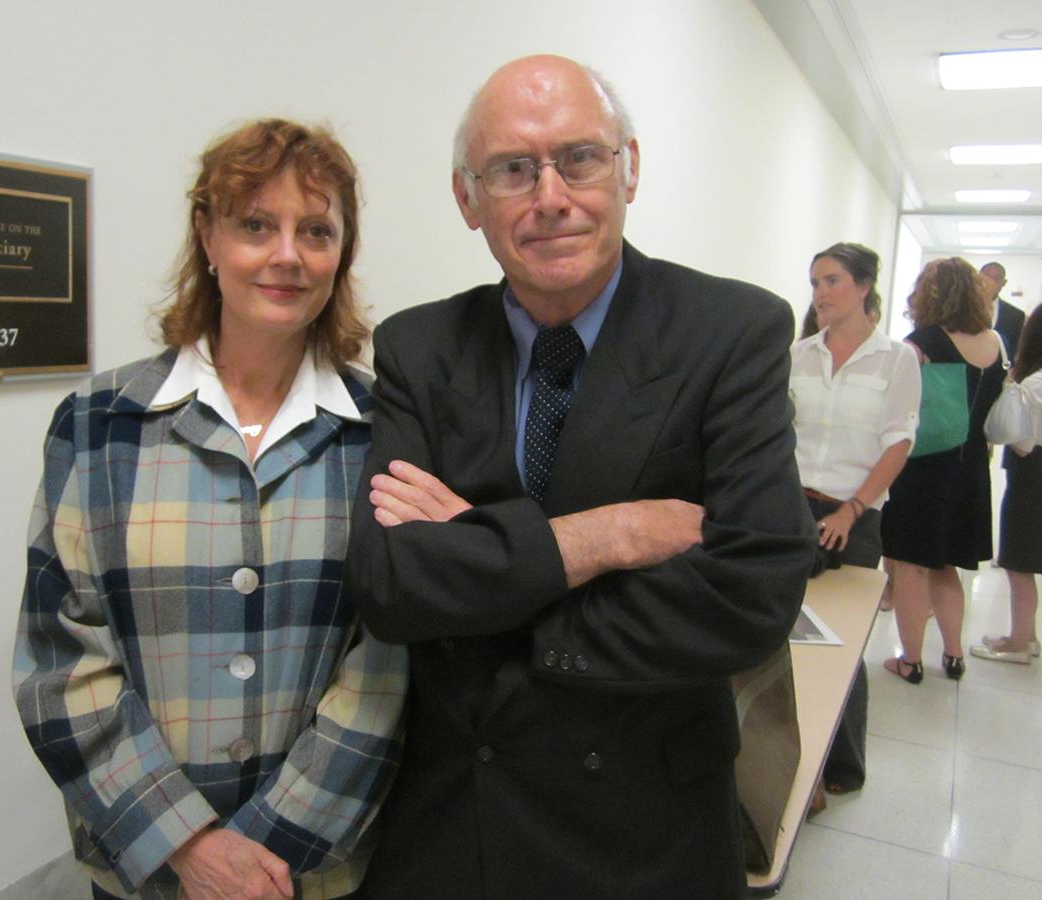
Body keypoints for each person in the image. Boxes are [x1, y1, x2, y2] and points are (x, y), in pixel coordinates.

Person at [343, 55, 817, 899]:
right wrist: (610, 535)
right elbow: (389, 585)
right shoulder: (419, 348)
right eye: (513, 170)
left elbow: (754, 593)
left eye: (581, 158)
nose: (551, 196)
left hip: (647, 830)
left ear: (630, 168)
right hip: (460, 824)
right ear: (467, 199)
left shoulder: (730, 333)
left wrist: (480, 572)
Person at [12, 119, 407, 900]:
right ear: (208, 235)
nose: (287, 254)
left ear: (343, 252)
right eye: (256, 224)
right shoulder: (97, 424)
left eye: (317, 230)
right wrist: (189, 847)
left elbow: (389, 660)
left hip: (318, 873)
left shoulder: (386, 428)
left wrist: (268, 851)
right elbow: (60, 660)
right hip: (150, 869)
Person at [790, 243, 920, 804]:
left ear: (864, 287)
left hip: (853, 516)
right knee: (783, 632)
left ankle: (842, 761)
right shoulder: (798, 355)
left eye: (832, 280)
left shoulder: (896, 360)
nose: (819, 292)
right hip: (791, 508)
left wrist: (853, 508)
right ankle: (789, 749)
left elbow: (899, 442)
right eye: (815, 281)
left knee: (838, 643)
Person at [881, 258, 1008, 683]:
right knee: (947, 565)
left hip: (924, 467)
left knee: (911, 566)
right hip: (971, 466)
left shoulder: (924, 341)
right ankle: (954, 656)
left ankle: (911, 660)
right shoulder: (993, 342)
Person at [973, 303, 1042, 664]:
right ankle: (1025, 635)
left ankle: (1018, 643)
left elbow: (1021, 440)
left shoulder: (1034, 383)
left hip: (1032, 478)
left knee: (1020, 562)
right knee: (1026, 560)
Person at [980, 261, 1026, 358]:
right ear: (978, 278)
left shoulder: (1016, 315)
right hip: (964, 370)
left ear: (1004, 283)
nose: (990, 282)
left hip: (1000, 371)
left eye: (996, 278)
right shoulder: (960, 309)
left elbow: (1014, 349)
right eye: (987, 276)